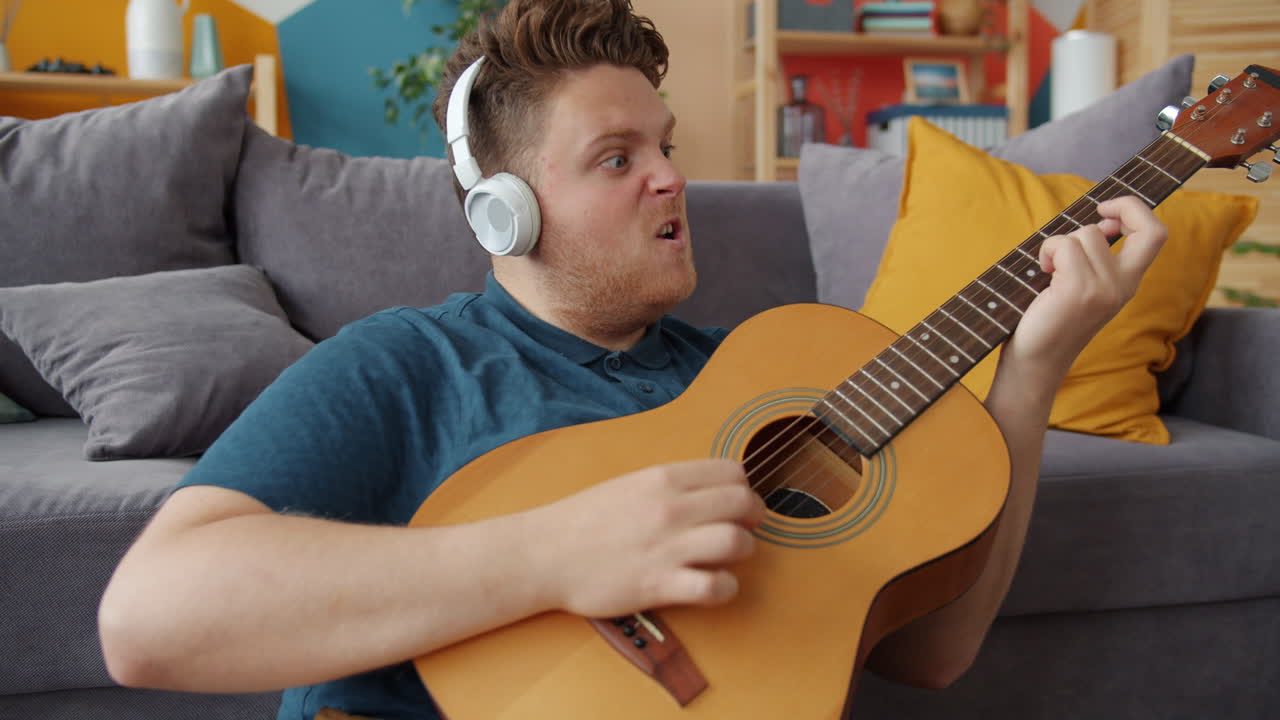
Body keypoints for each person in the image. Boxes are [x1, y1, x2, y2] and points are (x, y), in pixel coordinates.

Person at [98, 1, 1167, 718]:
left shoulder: (759, 375)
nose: (668, 177)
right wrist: (553, 553)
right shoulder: (407, 364)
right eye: (616, 158)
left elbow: (929, 655)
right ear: (505, 213)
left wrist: (1029, 375)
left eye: (665, 145)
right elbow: (150, 618)